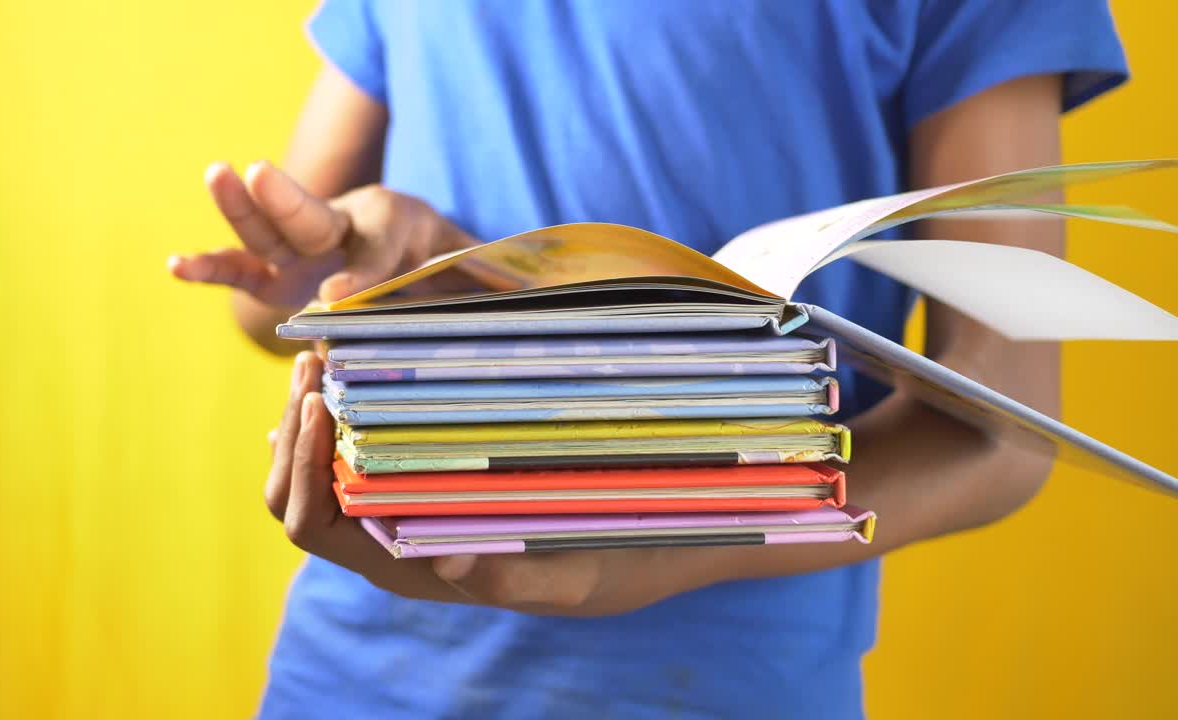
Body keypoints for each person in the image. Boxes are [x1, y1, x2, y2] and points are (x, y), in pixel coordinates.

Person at [168, 2, 1128, 717]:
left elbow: (1000, 429)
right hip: (352, 674)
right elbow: (277, 303)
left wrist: (655, 552)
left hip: (725, 689)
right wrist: (356, 255)